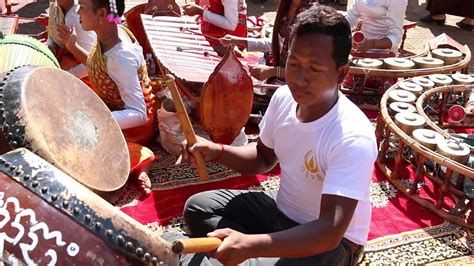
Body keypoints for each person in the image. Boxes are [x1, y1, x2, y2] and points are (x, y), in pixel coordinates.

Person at [165, 5, 377, 265]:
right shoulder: (283, 98)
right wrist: (216, 151)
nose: (300, 78)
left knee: (202, 253)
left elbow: (330, 231)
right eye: (295, 63)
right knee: (199, 208)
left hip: (330, 245)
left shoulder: (352, 135)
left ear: (341, 73)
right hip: (281, 215)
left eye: (314, 69)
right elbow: (262, 158)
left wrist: (252, 245)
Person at [63, 0, 158, 194]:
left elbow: (139, 114)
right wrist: (71, 54)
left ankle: (139, 158)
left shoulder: (120, 56)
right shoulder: (110, 34)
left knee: (80, 149)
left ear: (101, 14)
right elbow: (96, 65)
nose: (77, 11)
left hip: (135, 127)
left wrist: (96, 119)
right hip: (114, 108)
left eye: (82, 7)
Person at [221, 0, 318, 81]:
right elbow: (279, 43)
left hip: (295, 88)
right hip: (280, 79)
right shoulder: (286, 7)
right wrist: (240, 41)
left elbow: (305, 71)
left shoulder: (311, 18)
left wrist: (272, 71)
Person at [47, 0, 96, 76]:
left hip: (84, 77)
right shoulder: (54, 6)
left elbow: (93, 65)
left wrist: (65, 76)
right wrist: (51, 49)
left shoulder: (77, 16)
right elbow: (52, 34)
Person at [182, 0, 247, 55]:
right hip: (215, 32)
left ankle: (229, 50)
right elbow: (207, 5)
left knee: (190, 47)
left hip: (228, 38)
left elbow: (231, 25)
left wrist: (200, 11)